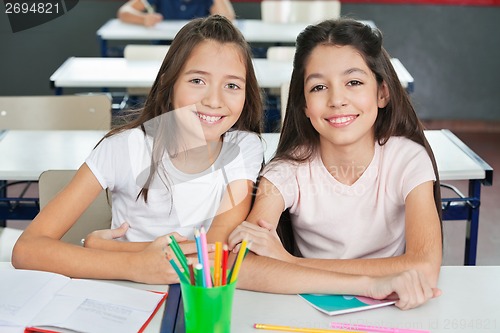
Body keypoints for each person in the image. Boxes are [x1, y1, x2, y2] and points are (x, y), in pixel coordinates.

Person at [12, 15, 264, 285]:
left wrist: (111, 248)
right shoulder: (122, 148)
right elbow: (27, 250)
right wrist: (134, 265)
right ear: (170, 83)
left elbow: (214, 253)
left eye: (232, 86)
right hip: (124, 292)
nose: (214, 100)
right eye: (197, 81)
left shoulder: (244, 147)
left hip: (198, 294)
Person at [228, 18, 443, 310]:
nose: (337, 99)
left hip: (394, 312)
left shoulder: (407, 159)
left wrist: (290, 263)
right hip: (307, 312)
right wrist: (371, 284)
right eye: (318, 87)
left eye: (353, 82)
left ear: (382, 93)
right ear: (303, 104)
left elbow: (424, 267)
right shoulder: (287, 170)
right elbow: (239, 267)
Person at [117, 0, 235, 27]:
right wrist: (143, 19)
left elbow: (227, 18)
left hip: (197, 47)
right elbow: (124, 11)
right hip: (164, 48)